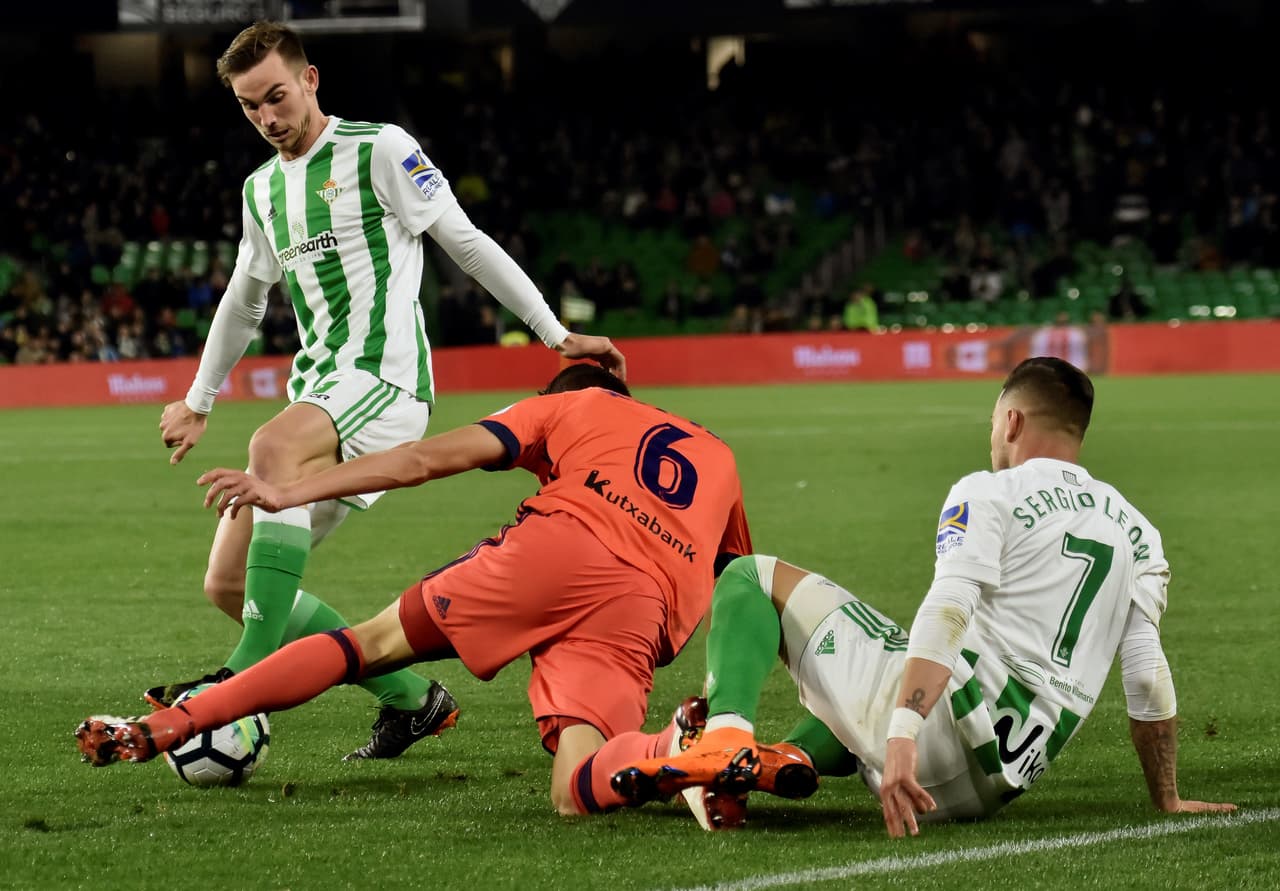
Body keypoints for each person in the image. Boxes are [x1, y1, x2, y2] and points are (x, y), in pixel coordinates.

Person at [149, 21, 626, 760]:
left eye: (277, 96)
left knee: (271, 444)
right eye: (250, 108)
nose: (268, 119)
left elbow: (463, 240)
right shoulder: (262, 190)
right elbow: (245, 298)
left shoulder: (379, 148)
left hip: (386, 380)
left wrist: (553, 332)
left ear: (310, 80)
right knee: (229, 581)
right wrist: (199, 399)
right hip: (325, 389)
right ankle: (412, 701)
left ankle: (237, 681)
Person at [78, 364, 754, 818]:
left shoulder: (566, 406)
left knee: (364, 644)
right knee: (576, 786)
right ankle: (670, 746)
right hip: (647, 604)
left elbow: (423, 460)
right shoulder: (717, 453)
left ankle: (177, 723)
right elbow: (742, 586)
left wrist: (288, 491)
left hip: (567, 543)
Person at [609, 357, 1236, 833]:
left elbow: (949, 607)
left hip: (926, 743)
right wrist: (1167, 797)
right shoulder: (1138, 534)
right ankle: (785, 758)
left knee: (751, 576)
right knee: (884, 656)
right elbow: (1147, 676)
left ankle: (725, 737)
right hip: (988, 791)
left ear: (1012, 420)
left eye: (995, 419)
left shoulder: (990, 491)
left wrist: (905, 735)